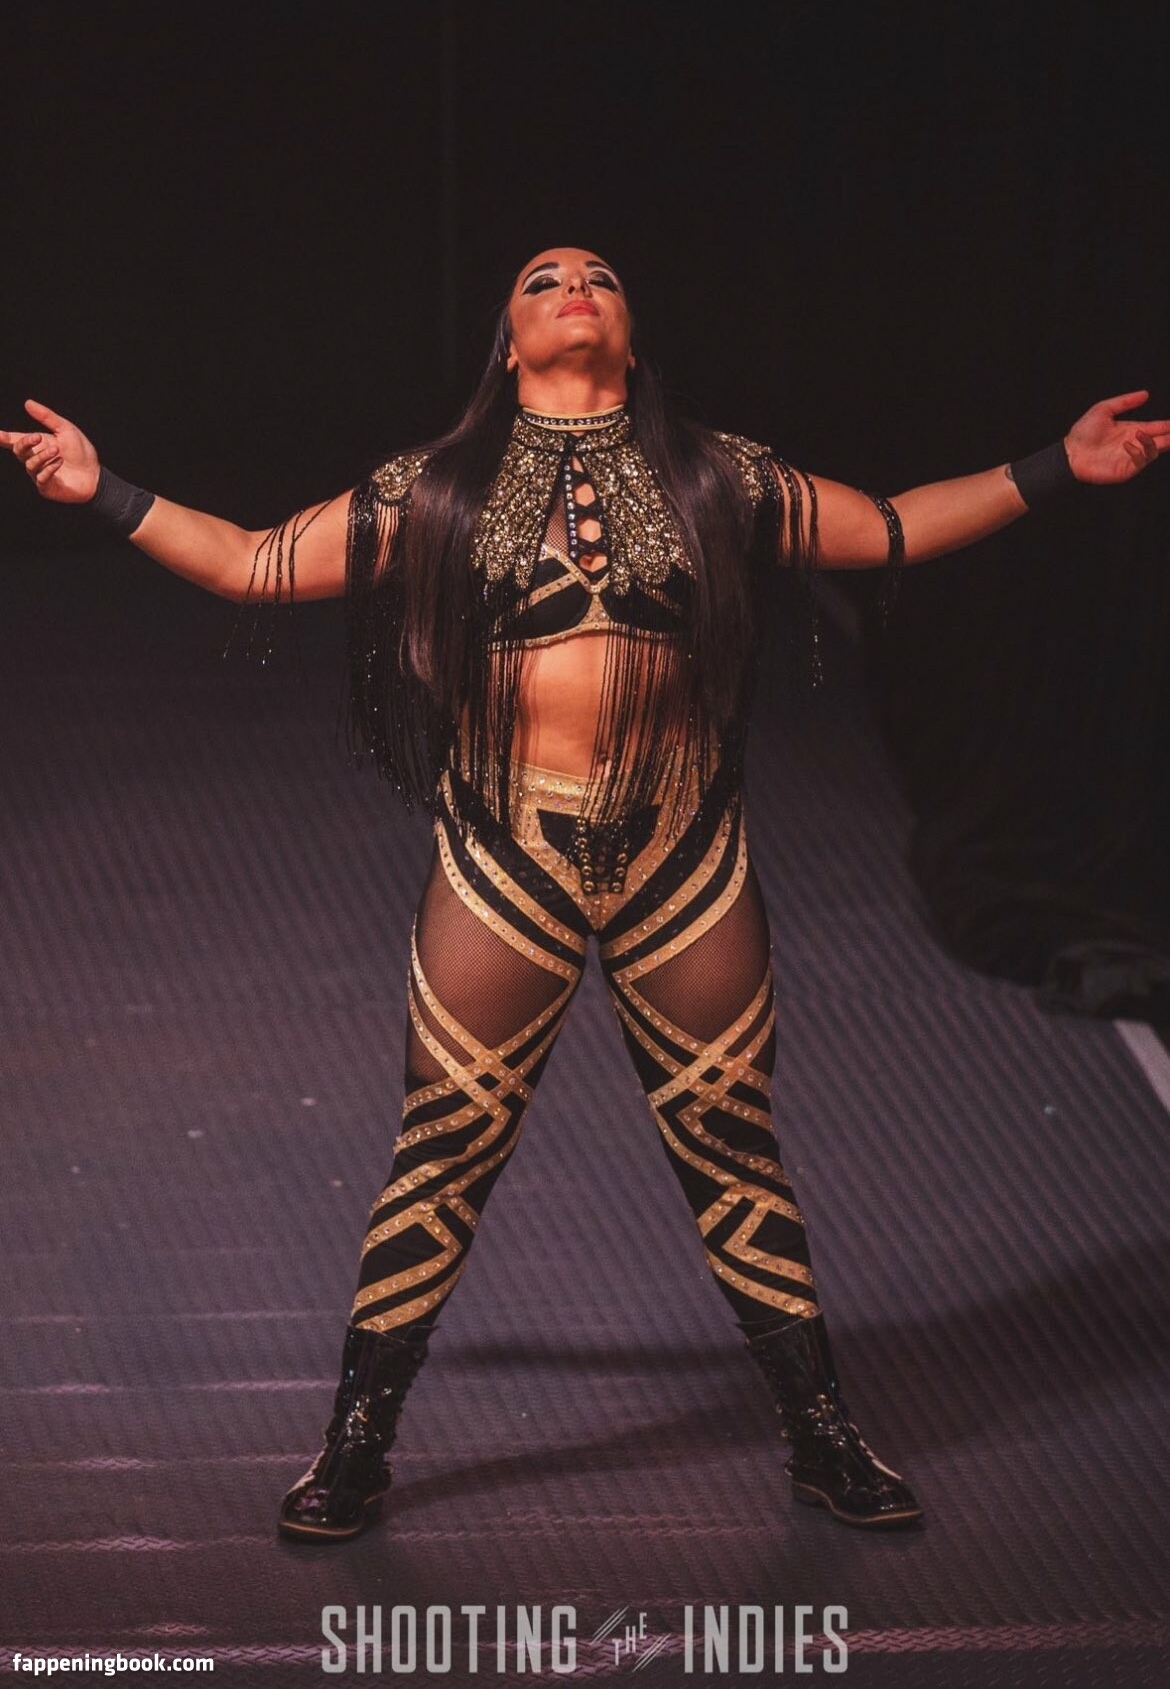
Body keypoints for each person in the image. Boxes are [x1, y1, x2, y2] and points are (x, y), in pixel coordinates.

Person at [4, 248, 1167, 1543]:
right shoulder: (436, 488)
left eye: (599, 276)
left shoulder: (715, 475)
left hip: (683, 854)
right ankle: (356, 1442)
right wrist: (102, 490)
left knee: (732, 1146)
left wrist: (1059, 466)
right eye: (543, 277)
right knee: (443, 1149)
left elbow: (889, 527)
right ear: (506, 342)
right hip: (509, 857)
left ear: (630, 330)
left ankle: (822, 1434)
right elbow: (253, 562)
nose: (574, 285)